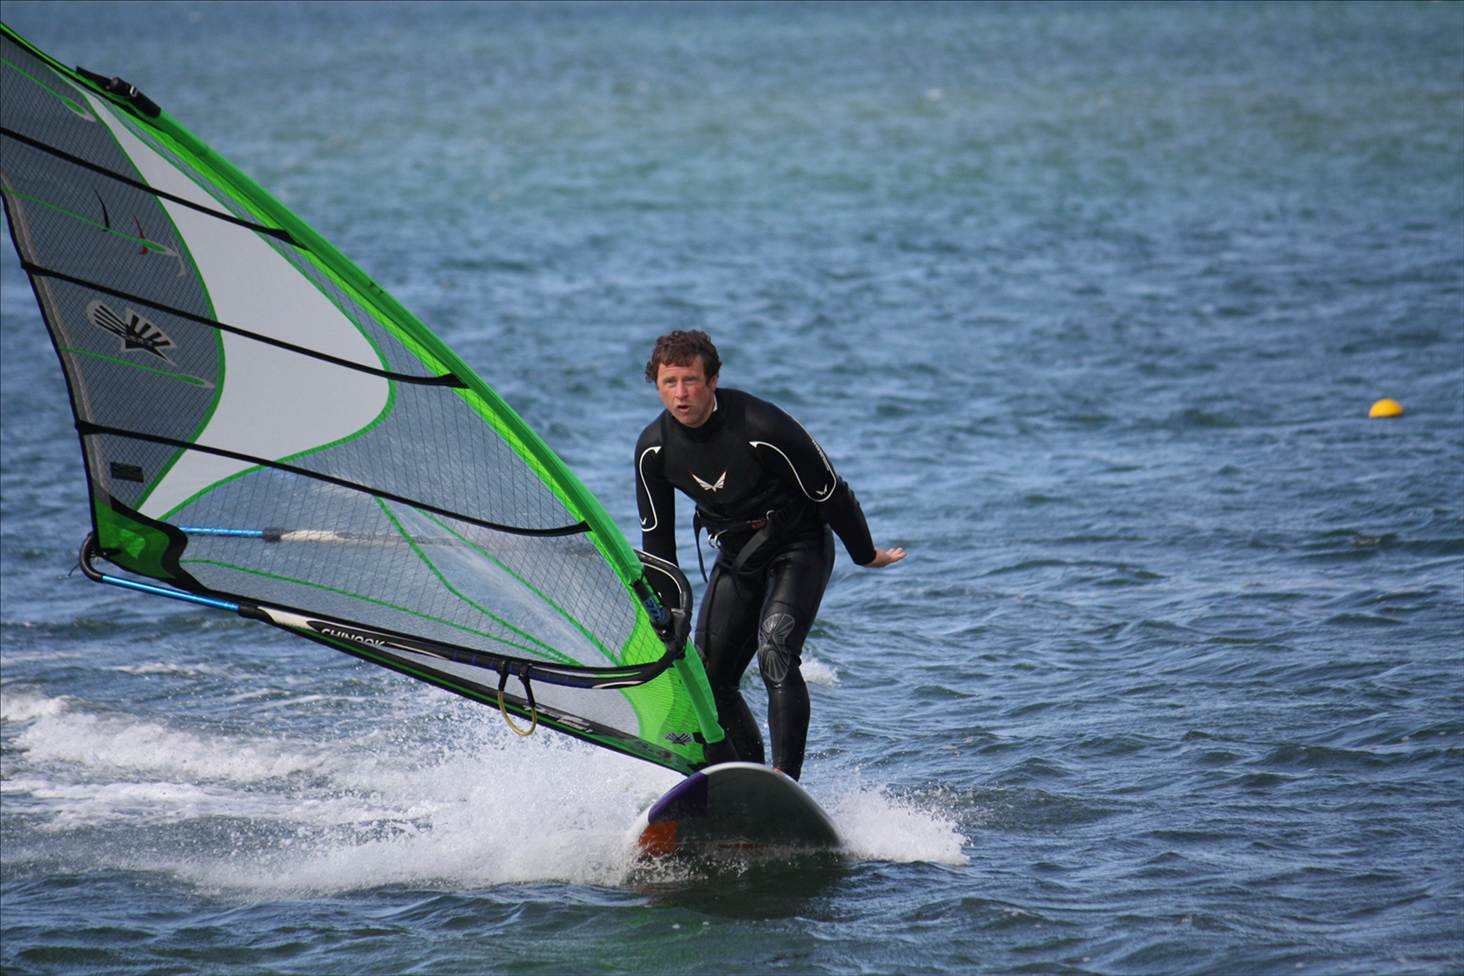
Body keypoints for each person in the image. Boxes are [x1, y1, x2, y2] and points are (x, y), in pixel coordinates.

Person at [634, 330, 905, 780]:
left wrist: (863, 553)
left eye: (691, 380)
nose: (681, 394)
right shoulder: (654, 450)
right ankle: (746, 780)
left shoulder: (761, 427)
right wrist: (667, 615)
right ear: (657, 385)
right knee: (709, 678)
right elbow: (658, 544)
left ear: (712, 380)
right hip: (737, 557)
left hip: (799, 545)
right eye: (669, 382)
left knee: (775, 652)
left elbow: (830, 491)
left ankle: (784, 778)